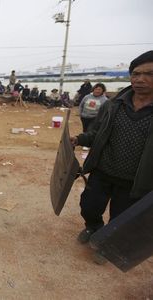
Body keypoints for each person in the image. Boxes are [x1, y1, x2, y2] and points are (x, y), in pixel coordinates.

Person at [70, 50, 153, 264]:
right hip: (102, 171)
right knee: (89, 206)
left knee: (121, 217)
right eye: (136, 73)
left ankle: (107, 246)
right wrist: (79, 139)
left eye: (149, 74)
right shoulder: (113, 105)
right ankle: (94, 228)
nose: (140, 79)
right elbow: (97, 133)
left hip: (134, 182)